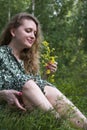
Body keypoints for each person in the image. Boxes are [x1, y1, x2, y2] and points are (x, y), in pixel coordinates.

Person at [0, 12, 87, 129]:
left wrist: (46, 75)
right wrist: (3, 94)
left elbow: (36, 89)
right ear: (13, 31)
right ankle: (63, 127)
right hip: (8, 106)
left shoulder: (27, 60)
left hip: (27, 106)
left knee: (45, 87)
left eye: (35, 33)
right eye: (28, 30)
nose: (33, 36)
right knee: (26, 82)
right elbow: (27, 85)